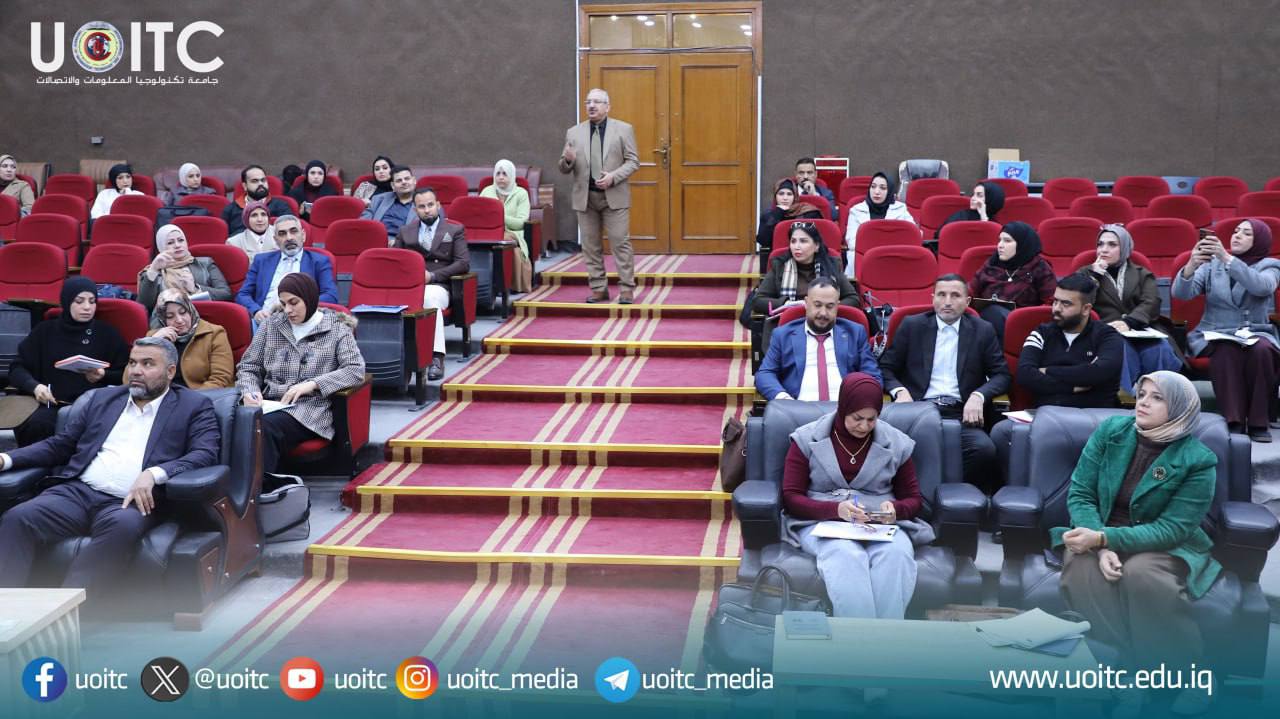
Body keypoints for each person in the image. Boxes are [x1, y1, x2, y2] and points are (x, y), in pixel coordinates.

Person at [0, 337, 220, 595]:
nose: (136, 370)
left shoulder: (193, 406)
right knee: (18, 518)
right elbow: (61, 445)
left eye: (148, 364)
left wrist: (154, 474)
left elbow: (205, 454)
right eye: (132, 363)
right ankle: (7, 610)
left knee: (120, 528)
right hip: (78, 492)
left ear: (170, 371)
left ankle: (68, 612)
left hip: (132, 502)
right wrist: (6, 459)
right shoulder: (103, 398)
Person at [1055, 371, 1218, 717]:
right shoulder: (1110, 432)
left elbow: (1173, 528)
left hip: (1162, 543)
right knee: (1081, 565)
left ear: (1180, 408)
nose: (1143, 402)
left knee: (1142, 574)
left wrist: (1106, 538)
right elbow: (1081, 494)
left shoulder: (1198, 460)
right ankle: (1125, 675)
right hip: (1098, 532)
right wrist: (1100, 546)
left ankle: (1189, 675)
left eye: (1157, 398)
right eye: (1142, 394)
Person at [781, 372, 934, 618]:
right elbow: (791, 497)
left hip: (879, 525)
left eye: (872, 419)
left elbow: (914, 500)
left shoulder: (897, 443)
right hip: (822, 521)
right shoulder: (806, 438)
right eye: (857, 418)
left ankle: (888, 633)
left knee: (896, 555)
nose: (864, 426)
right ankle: (857, 635)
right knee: (845, 554)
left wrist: (896, 510)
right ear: (843, 409)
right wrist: (835, 510)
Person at [878, 275, 1011, 492]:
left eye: (955, 295)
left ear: (967, 302)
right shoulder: (912, 326)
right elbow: (885, 368)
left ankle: (954, 495)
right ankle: (917, 495)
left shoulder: (982, 330)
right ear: (933, 298)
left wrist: (979, 396)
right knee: (896, 448)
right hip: (917, 410)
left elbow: (1002, 375)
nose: (947, 301)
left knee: (984, 450)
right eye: (941, 295)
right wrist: (899, 391)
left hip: (960, 413)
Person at [990, 274, 1126, 485]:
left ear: (1086, 309)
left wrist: (1048, 371)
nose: (1056, 308)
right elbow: (1025, 374)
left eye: (1066, 304)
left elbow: (1099, 372)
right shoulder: (1041, 333)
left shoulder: (1108, 337)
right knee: (1001, 432)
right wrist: (1073, 386)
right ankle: (1017, 491)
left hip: (1093, 415)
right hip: (1047, 414)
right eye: (1055, 301)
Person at [236, 273, 365, 474]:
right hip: (269, 403)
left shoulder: (337, 329)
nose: (288, 310)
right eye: (283, 304)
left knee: (262, 426)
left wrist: (313, 384)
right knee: (230, 420)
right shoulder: (272, 325)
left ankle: (257, 488)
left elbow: (355, 370)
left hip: (309, 410)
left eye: (293, 302)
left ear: (309, 298)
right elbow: (248, 366)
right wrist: (250, 391)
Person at [1172, 218, 1280, 442]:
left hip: (1254, 331)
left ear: (1259, 240)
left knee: (1262, 350)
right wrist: (1191, 265)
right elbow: (1182, 294)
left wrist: (1227, 258)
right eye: (1236, 231)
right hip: (1215, 332)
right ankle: (1234, 420)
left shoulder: (1270, 265)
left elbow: (1262, 287)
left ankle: (1259, 422)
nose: (1237, 235)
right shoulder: (1212, 264)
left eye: (1246, 233)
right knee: (1225, 350)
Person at [5, 277, 129, 446]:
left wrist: (104, 375)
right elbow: (17, 368)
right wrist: (35, 386)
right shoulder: (45, 331)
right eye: (79, 301)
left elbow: (126, 374)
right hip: (48, 404)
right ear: (67, 301)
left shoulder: (107, 334)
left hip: (90, 406)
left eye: (92, 301)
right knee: (37, 425)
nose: (87, 307)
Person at [558, 87, 640, 304]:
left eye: (597, 102)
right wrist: (567, 160)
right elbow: (564, 168)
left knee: (620, 243)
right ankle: (598, 288)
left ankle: (626, 289)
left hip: (614, 196)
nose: (591, 106)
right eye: (588, 102)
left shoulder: (623, 129)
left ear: (607, 106)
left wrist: (613, 176)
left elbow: (633, 161)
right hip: (586, 199)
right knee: (590, 246)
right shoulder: (573, 133)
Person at [1077, 224, 1181, 393]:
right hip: (1105, 331)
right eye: (1100, 244)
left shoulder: (1141, 273)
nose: (1103, 249)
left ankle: (1160, 396)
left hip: (1140, 328)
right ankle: (1123, 398)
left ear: (1124, 248)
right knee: (1120, 347)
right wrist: (1094, 277)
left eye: (1112, 244)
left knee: (1159, 348)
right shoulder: (1084, 274)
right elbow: (1078, 304)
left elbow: (1151, 302)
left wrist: (1129, 322)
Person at [756, 279, 881, 401]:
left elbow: (873, 376)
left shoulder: (855, 332)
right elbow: (765, 374)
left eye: (830, 306)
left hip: (845, 409)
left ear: (837, 306)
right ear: (806, 303)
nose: (823, 313)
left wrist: (858, 402)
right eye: (817, 305)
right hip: (797, 408)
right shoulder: (783, 335)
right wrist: (783, 399)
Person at [393, 188, 469, 380]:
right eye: (421, 207)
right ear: (415, 209)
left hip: (440, 285)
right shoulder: (405, 232)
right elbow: (396, 261)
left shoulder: (454, 230)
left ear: (438, 205)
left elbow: (462, 263)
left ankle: (436, 357)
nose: (427, 210)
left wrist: (433, 276)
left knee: (429, 298)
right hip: (410, 287)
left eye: (430, 205)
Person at [236, 215, 339, 326]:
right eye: (282, 234)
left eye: (293, 231)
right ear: (275, 240)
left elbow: (330, 295)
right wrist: (256, 311)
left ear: (303, 235)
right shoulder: (261, 261)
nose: (289, 238)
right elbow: (243, 294)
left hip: (301, 320)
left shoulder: (319, 261)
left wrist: (301, 307)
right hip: (265, 321)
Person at [968, 221, 1058, 342]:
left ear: (1022, 244)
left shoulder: (1039, 267)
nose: (1000, 245)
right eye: (999, 240)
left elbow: (1051, 303)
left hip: (1024, 329)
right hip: (986, 326)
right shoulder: (991, 264)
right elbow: (970, 294)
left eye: (1007, 241)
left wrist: (1020, 318)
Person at [753, 222, 860, 316]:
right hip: (787, 323)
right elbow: (758, 301)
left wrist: (828, 307)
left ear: (816, 246)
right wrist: (785, 304)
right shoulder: (780, 266)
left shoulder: (831, 266)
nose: (797, 246)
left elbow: (853, 299)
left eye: (803, 241)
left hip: (824, 321)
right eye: (793, 241)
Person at [146, 289, 234, 389]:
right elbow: (136, 377)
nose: (179, 320)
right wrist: (153, 343)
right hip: (163, 395)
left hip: (203, 395)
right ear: (163, 319)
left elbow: (221, 379)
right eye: (170, 316)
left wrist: (192, 398)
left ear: (191, 311)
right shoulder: (154, 336)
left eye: (183, 312)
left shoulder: (214, 333)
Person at [138, 224, 233, 310]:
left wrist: (196, 288)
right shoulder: (153, 271)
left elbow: (226, 294)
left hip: (204, 314)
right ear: (161, 246)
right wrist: (153, 270)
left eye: (181, 240)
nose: (177, 245)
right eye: (170, 243)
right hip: (167, 320)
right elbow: (144, 305)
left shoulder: (205, 263)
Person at [843, 172, 915, 277]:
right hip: (863, 260)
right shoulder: (856, 210)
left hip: (893, 260)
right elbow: (852, 242)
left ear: (890, 191)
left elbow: (914, 235)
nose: (876, 192)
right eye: (873, 187)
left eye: (883, 188)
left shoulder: (901, 209)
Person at [479, 159, 532, 291]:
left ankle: (503, 284)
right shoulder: (486, 191)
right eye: (498, 173)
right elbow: (480, 217)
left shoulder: (521, 193)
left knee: (503, 240)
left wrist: (499, 215)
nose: (501, 177)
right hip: (488, 232)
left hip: (513, 233)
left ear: (512, 175)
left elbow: (520, 223)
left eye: (505, 174)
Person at [756, 179, 824, 273]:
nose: (785, 198)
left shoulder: (808, 212)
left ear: (795, 196)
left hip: (807, 258)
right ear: (775, 196)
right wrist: (778, 213)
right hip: (780, 260)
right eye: (781, 194)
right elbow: (763, 240)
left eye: (789, 194)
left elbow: (818, 239)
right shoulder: (769, 215)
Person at [220, 165, 292, 237]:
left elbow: (289, 234)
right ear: (245, 186)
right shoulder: (230, 210)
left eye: (263, 180)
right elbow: (223, 237)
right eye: (254, 181)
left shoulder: (281, 206)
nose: (260, 184)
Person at [362, 164, 417, 240]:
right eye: (399, 180)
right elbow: (363, 224)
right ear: (393, 185)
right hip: (376, 240)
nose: (404, 182)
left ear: (414, 181)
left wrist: (398, 242)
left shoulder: (423, 203)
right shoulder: (378, 199)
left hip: (405, 243)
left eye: (407, 179)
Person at [937, 181, 1006, 238]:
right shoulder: (961, 216)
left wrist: (983, 218)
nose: (972, 198)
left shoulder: (996, 225)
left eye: (979, 195)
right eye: (973, 194)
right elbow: (940, 236)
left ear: (991, 199)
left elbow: (990, 242)